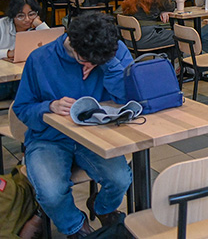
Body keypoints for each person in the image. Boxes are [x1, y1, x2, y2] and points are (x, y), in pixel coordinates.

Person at [13, 12, 133, 238]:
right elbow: (22, 107)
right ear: (73, 45)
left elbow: (129, 96)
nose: (89, 66)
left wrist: (107, 64)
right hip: (49, 138)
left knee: (120, 179)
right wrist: (49, 106)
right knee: (51, 193)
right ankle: (76, 226)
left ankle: (102, 208)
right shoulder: (40, 59)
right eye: (85, 61)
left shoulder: (111, 51)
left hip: (96, 135)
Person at [0, 0, 49, 100]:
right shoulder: (2, 25)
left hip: (25, 77)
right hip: (4, 80)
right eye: (21, 16)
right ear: (12, 16)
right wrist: (8, 53)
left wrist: (40, 25)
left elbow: (54, 45)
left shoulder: (36, 27)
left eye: (31, 14)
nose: (27, 19)